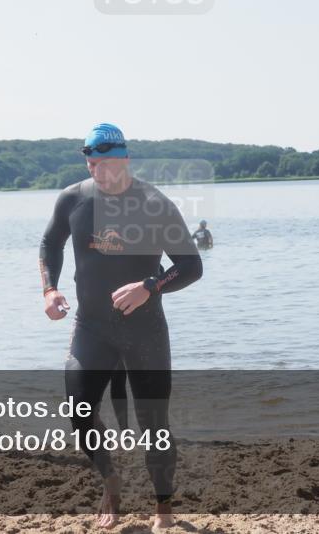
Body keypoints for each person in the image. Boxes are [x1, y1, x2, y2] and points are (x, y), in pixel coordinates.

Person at [39, 122, 203, 530]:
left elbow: (191, 266)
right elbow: (49, 244)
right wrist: (49, 290)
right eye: (97, 164)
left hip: (144, 330)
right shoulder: (73, 199)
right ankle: (111, 484)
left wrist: (150, 285)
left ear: (127, 159)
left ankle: (163, 507)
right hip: (91, 326)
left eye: (114, 163)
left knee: (154, 424)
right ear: (88, 162)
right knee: (79, 412)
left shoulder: (154, 202)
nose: (106, 172)